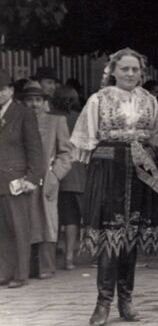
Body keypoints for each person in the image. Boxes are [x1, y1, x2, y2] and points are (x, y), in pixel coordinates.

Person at [70, 48, 158, 326]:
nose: (130, 74)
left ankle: (127, 299)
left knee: (131, 234)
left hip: (140, 171)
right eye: (125, 69)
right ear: (113, 71)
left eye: (135, 69)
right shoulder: (99, 99)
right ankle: (103, 303)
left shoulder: (150, 100)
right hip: (109, 168)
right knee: (109, 235)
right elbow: (85, 142)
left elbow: (155, 139)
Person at [21, 82, 72, 281]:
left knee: (46, 220)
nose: (34, 104)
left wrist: (55, 175)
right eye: (29, 100)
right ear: (22, 102)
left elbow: (66, 153)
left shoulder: (56, 121)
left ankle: (46, 267)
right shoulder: (17, 122)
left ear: (44, 102)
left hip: (46, 180)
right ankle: (28, 267)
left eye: (38, 100)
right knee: (25, 221)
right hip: (21, 179)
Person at [0, 70, 44, 289]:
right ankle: (4, 272)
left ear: (10, 90)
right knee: (2, 230)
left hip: (17, 180)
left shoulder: (23, 113)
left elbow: (35, 148)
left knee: (19, 228)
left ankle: (21, 274)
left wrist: (33, 177)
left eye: (2, 89)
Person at [51, 84, 87, 270]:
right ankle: (69, 257)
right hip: (80, 174)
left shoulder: (53, 119)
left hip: (58, 173)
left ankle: (55, 251)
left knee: (59, 216)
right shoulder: (80, 119)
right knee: (76, 219)